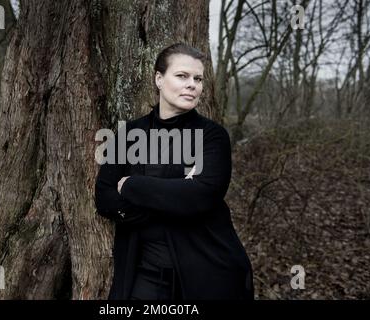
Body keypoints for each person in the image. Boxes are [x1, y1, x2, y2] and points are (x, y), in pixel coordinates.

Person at [94, 43, 254, 300]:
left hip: (208, 273)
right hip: (145, 277)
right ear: (159, 79)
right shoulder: (130, 134)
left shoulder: (211, 136)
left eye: (198, 79)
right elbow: (104, 197)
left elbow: (201, 196)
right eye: (182, 76)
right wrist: (175, 195)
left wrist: (132, 186)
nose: (192, 84)